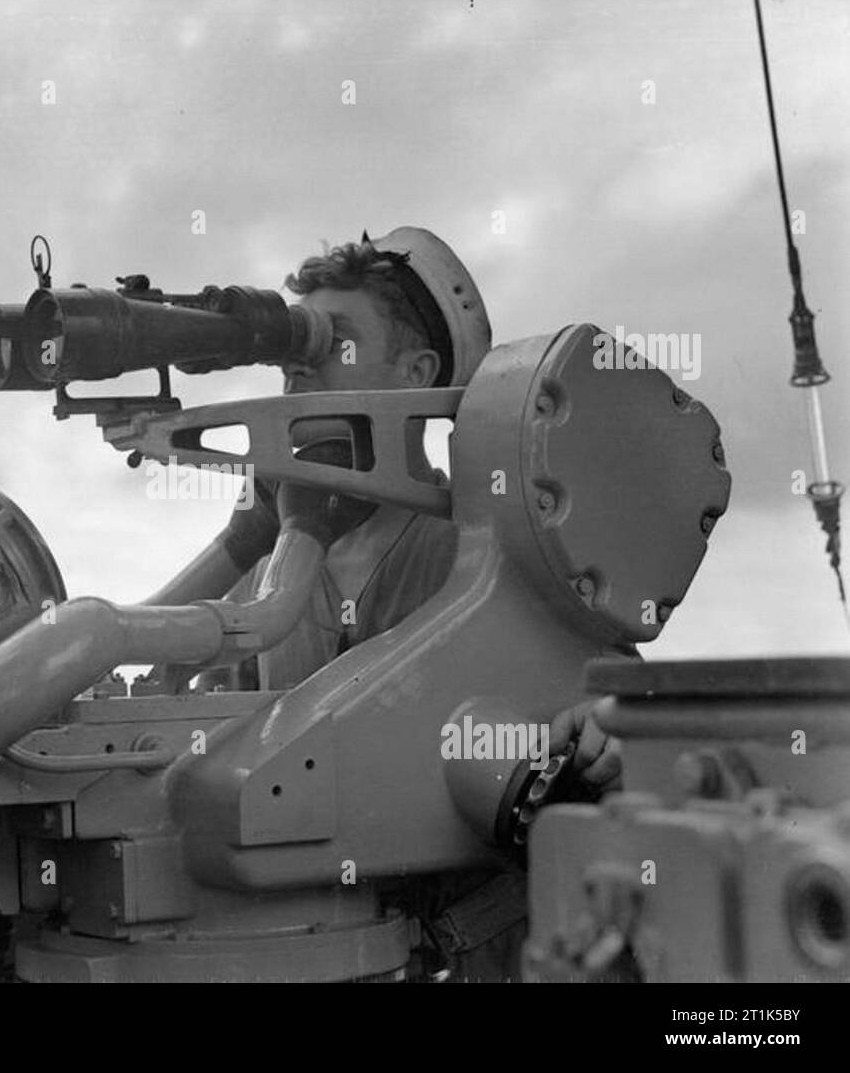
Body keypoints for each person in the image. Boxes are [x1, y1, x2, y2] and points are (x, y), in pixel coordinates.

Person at [148, 226, 622, 980]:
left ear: (416, 372)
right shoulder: (267, 572)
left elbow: (617, 716)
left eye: (331, 339)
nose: (299, 363)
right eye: (293, 342)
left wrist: (607, 732)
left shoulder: (489, 554)